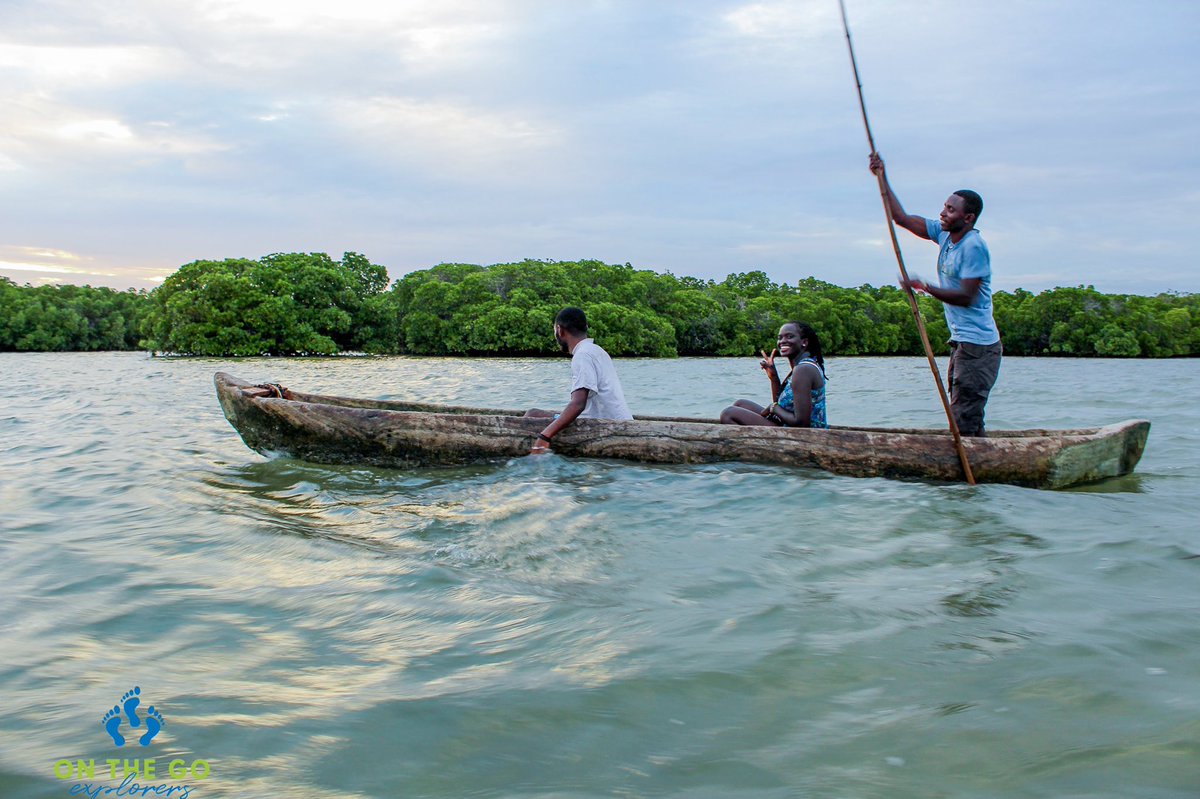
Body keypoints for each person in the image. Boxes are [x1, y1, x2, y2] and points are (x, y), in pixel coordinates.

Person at [869, 153, 1002, 437]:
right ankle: (978, 464)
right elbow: (901, 218)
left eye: (951, 210)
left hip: (979, 347)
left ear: (968, 218)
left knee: (964, 416)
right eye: (944, 206)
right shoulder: (944, 235)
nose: (943, 213)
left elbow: (967, 296)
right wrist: (882, 176)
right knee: (963, 412)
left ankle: (970, 468)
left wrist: (924, 286)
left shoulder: (973, 246)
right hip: (962, 343)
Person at [526, 307, 633, 454]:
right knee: (533, 413)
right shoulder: (596, 350)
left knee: (530, 417)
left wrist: (544, 436)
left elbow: (578, 404)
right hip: (615, 421)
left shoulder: (583, 355)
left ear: (559, 330)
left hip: (606, 426)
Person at [720, 321, 828, 429]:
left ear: (804, 342)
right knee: (741, 404)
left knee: (728, 414)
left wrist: (773, 408)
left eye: (789, 336)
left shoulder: (803, 369)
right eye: (780, 338)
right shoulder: (802, 366)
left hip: (803, 435)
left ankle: (754, 445)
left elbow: (802, 423)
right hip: (789, 425)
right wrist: (774, 378)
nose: (783, 341)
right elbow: (783, 405)